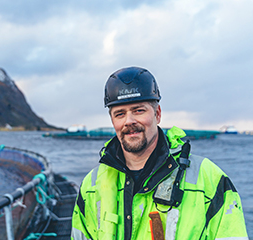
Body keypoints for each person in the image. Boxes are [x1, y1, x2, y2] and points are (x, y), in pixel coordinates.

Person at [71, 67, 248, 240]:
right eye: (120, 114)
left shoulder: (209, 180)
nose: (129, 121)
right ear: (112, 120)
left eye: (139, 110)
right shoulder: (90, 187)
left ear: (158, 114)